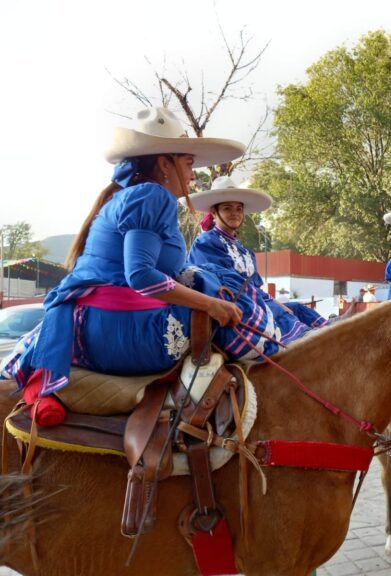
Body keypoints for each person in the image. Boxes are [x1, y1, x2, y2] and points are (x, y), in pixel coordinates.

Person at [4, 107, 280, 426]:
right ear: (164, 163)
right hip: (115, 329)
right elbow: (142, 277)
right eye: (189, 164)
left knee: (221, 296)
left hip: (97, 324)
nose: (193, 175)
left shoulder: (132, 195)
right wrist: (212, 303)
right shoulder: (152, 195)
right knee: (233, 309)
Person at [186, 175, 327, 343]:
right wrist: (274, 307)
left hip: (254, 302)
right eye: (227, 208)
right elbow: (222, 287)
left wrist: (278, 304)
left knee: (296, 308)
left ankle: (333, 331)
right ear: (214, 212)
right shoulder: (206, 242)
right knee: (290, 324)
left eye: (239, 209)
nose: (235, 213)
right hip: (233, 306)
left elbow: (256, 287)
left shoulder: (245, 250)